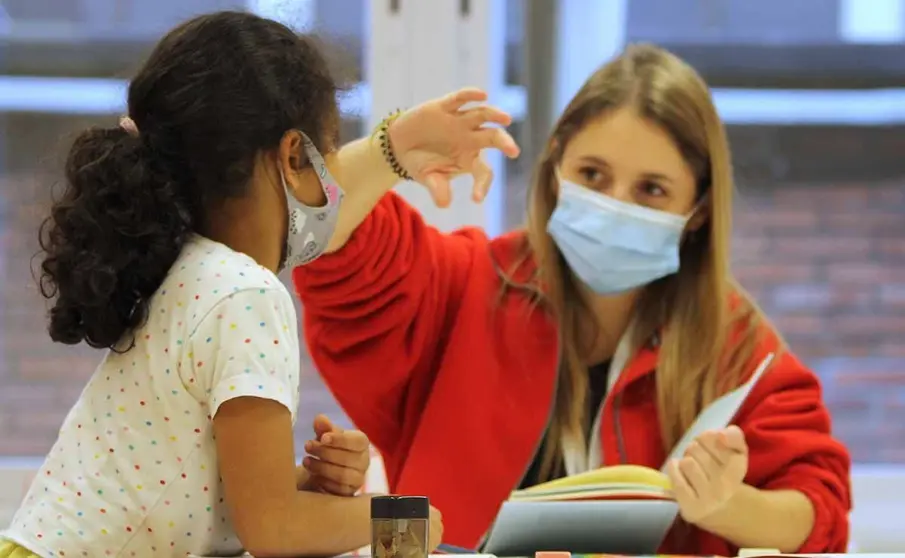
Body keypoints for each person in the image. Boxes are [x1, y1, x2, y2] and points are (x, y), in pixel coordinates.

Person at [293, 43, 852, 556]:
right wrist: (390, 151)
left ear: (698, 209)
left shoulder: (731, 343)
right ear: (555, 166)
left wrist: (729, 505)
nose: (614, 204)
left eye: (651, 190)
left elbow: (818, 508)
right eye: (593, 174)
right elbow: (325, 240)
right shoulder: (465, 285)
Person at [0, 10, 515, 558]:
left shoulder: (188, 273)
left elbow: (204, 493)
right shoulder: (246, 292)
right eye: (331, 153)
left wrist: (313, 492)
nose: (336, 182)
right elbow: (272, 530)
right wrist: (405, 519)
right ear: (294, 156)